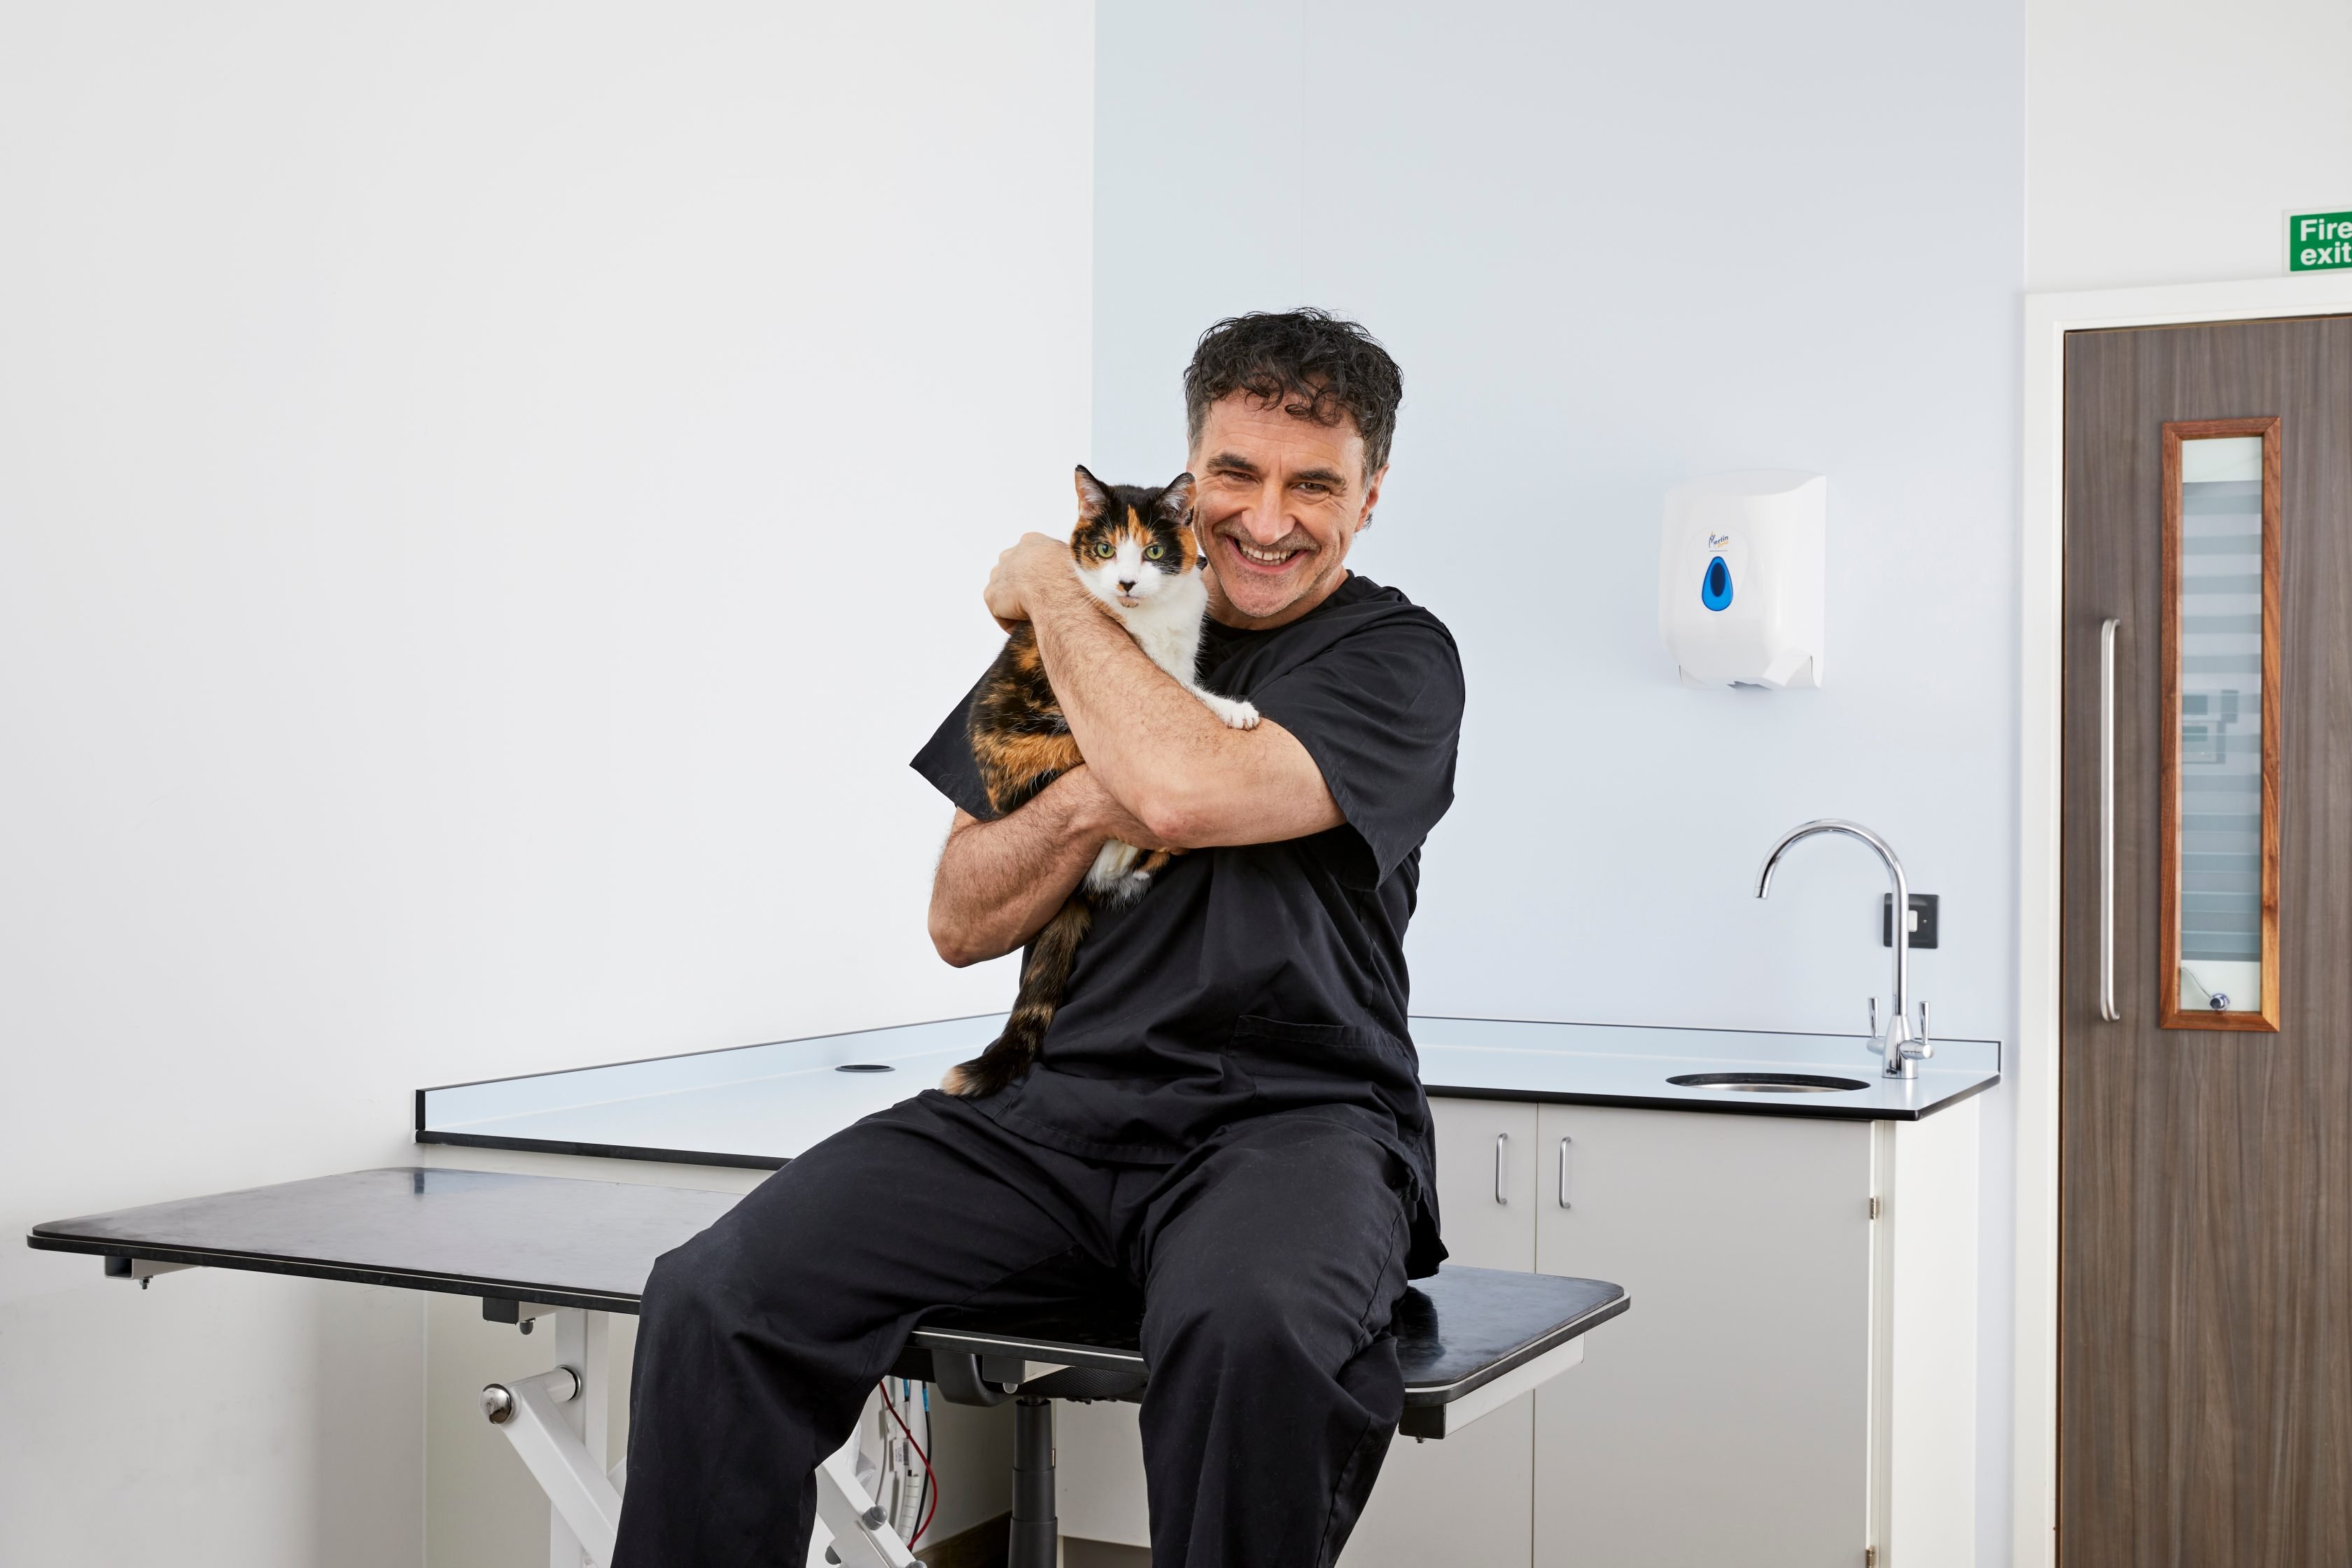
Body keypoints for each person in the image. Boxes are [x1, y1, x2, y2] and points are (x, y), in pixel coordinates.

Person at [612, 309, 1464, 1568]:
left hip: (1291, 1121)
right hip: (1049, 1110)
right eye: (1235, 473)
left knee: (1255, 1336)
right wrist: (1089, 783)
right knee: (713, 1299)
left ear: (1372, 496)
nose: (1267, 518)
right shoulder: (1087, 642)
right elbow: (962, 914)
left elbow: (1180, 794)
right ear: (1189, 471)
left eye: (1313, 485)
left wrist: (1056, 599)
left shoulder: (1395, 660)